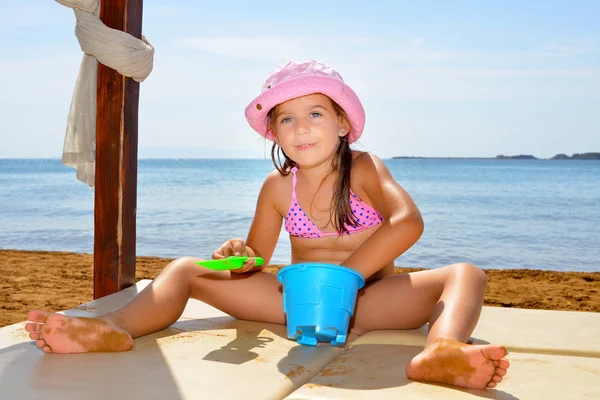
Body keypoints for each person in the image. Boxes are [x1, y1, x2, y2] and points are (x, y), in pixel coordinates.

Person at [25, 59, 509, 390]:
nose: (301, 128)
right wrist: (238, 253)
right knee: (183, 270)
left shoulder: (364, 168)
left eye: (315, 113)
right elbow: (255, 259)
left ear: (342, 123)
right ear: (273, 131)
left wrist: (346, 277)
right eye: (286, 119)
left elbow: (408, 223)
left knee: (467, 273)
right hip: (292, 308)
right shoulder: (279, 187)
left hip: (368, 303)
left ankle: (441, 350)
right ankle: (110, 327)